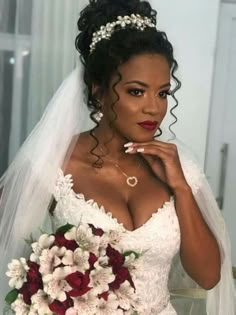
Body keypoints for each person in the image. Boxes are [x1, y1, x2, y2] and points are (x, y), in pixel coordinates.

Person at [0, 0, 235, 314]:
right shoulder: (56, 163)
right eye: (137, 91)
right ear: (99, 91)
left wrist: (180, 188)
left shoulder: (179, 169)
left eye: (163, 92)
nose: (154, 108)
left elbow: (207, 277)